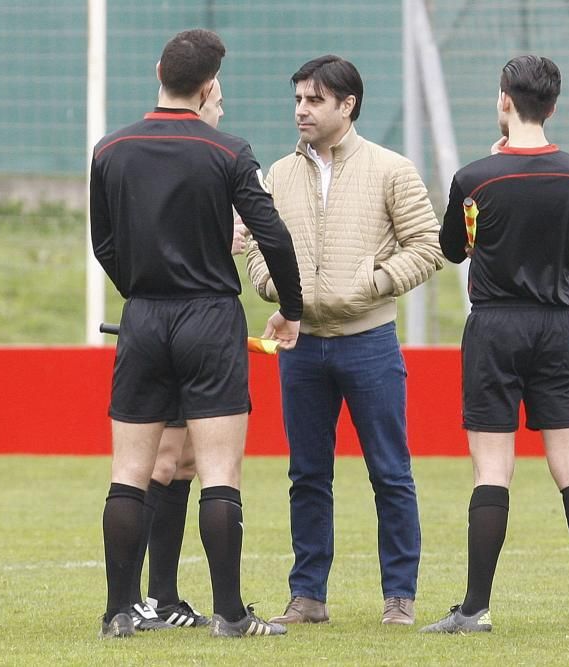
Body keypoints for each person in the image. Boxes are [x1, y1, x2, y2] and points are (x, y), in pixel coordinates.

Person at [89, 28, 302, 639]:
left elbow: (104, 242)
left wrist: (139, 286)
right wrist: (291, 308)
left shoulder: (110, 149)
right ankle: (231, 615)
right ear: (209, 87)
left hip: (143, 316)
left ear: (159, 70)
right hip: (209, 316)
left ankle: (119, 612)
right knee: (218, 470)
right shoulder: (229, 152)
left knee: (130, 471)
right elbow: (275, 235)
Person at [420, 55, 569, 634]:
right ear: (553, 106)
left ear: (504, 100)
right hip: (558, 326)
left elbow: (454, 251)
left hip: (495, 326)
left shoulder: (475, 178)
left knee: (492, 467)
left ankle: (475, 608)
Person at [246, 55, 444, 627]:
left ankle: (399, 596)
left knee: (390, 471)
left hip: (370, 342)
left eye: (313, 100)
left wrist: (374, 284)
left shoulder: (392, 170)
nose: (301, 110)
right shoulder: (278, 174)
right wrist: (268, 282)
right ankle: (307, 595)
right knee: (307, 473)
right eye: (298, 100)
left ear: (346, 105)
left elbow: (426, 247)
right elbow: (260, 244)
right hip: (301, 349)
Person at [129, 74, 251, 633]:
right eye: (219, 101)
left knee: (179, 460)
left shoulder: (186, 159)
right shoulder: (202, 156)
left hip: (166, 323)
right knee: (163, 462)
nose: (221, 112)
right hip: (189, 324)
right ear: (203, 95)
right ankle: (141, 599)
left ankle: (162, 597)